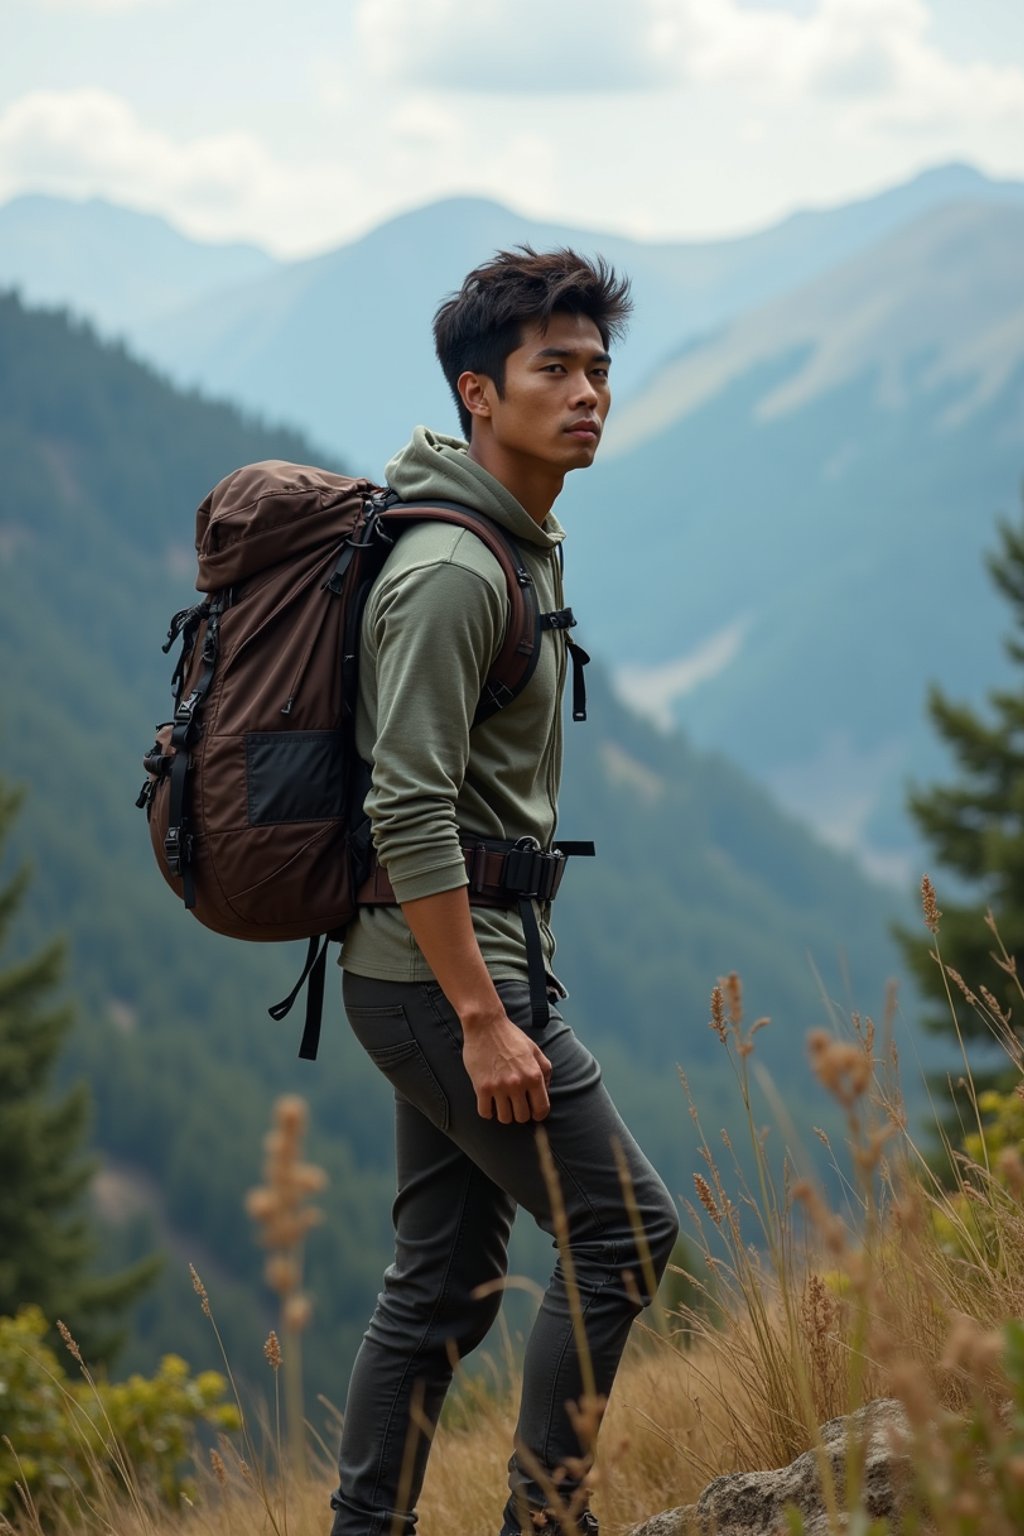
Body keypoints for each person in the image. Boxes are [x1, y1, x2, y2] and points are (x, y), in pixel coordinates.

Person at [330, 247, 679, 1536]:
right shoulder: (455, 574)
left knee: (443, 1283)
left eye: (599, 368)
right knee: (627, 1235)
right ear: (481, 393)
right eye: (557, 369)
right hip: (443, 977)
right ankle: (547, 1519)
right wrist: (484, 1018)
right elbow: (406, 806)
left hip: (463, 964)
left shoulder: (512, 541)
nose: (589, 391)